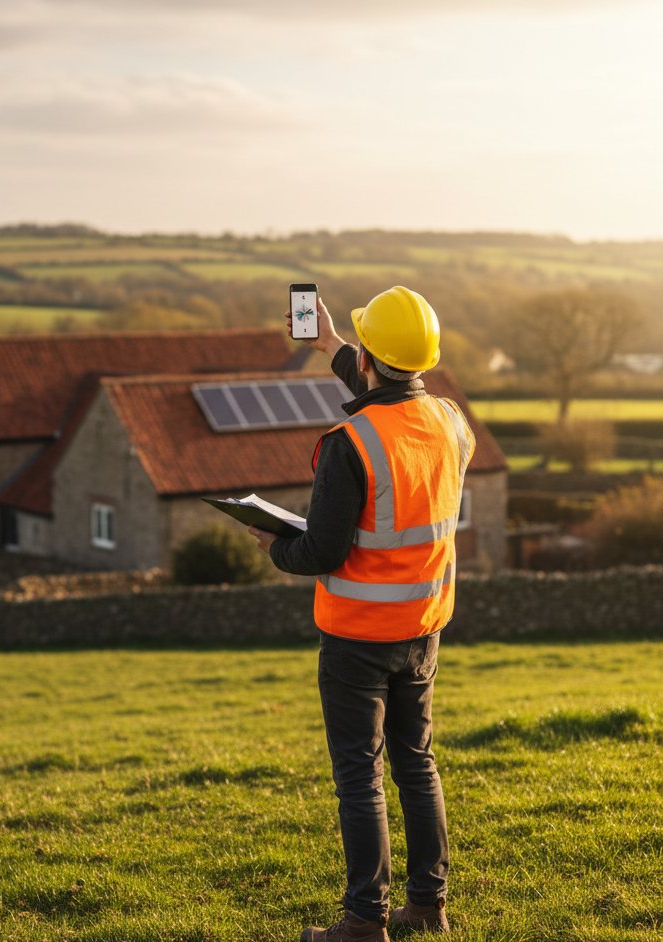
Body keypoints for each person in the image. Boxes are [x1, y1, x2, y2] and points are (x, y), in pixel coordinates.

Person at [249, 286, 475, 942]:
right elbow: (396, 391)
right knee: (416, 761)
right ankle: (429, 906)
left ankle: (363, 922)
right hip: (424, 627)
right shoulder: (451, 422)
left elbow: (320, 550)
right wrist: (330, 346)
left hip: (355, 638)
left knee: (359, 774)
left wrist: (271, 543)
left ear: (371, 359)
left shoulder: (349, 443)